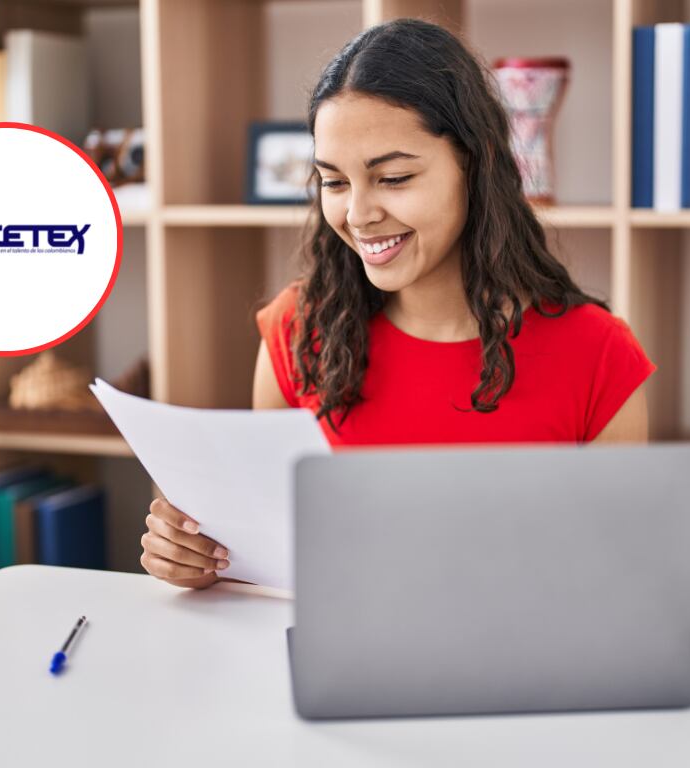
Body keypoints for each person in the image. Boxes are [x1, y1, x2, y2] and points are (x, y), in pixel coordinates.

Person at [139, 18, 656, 590]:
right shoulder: (298, 330)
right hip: (333, 670)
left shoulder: (597, 355)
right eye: (334, 183)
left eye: (393, 177)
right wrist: (206, 559)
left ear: (476, 165)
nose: (359, 215)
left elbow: (623, 588)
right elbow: (271, 567)